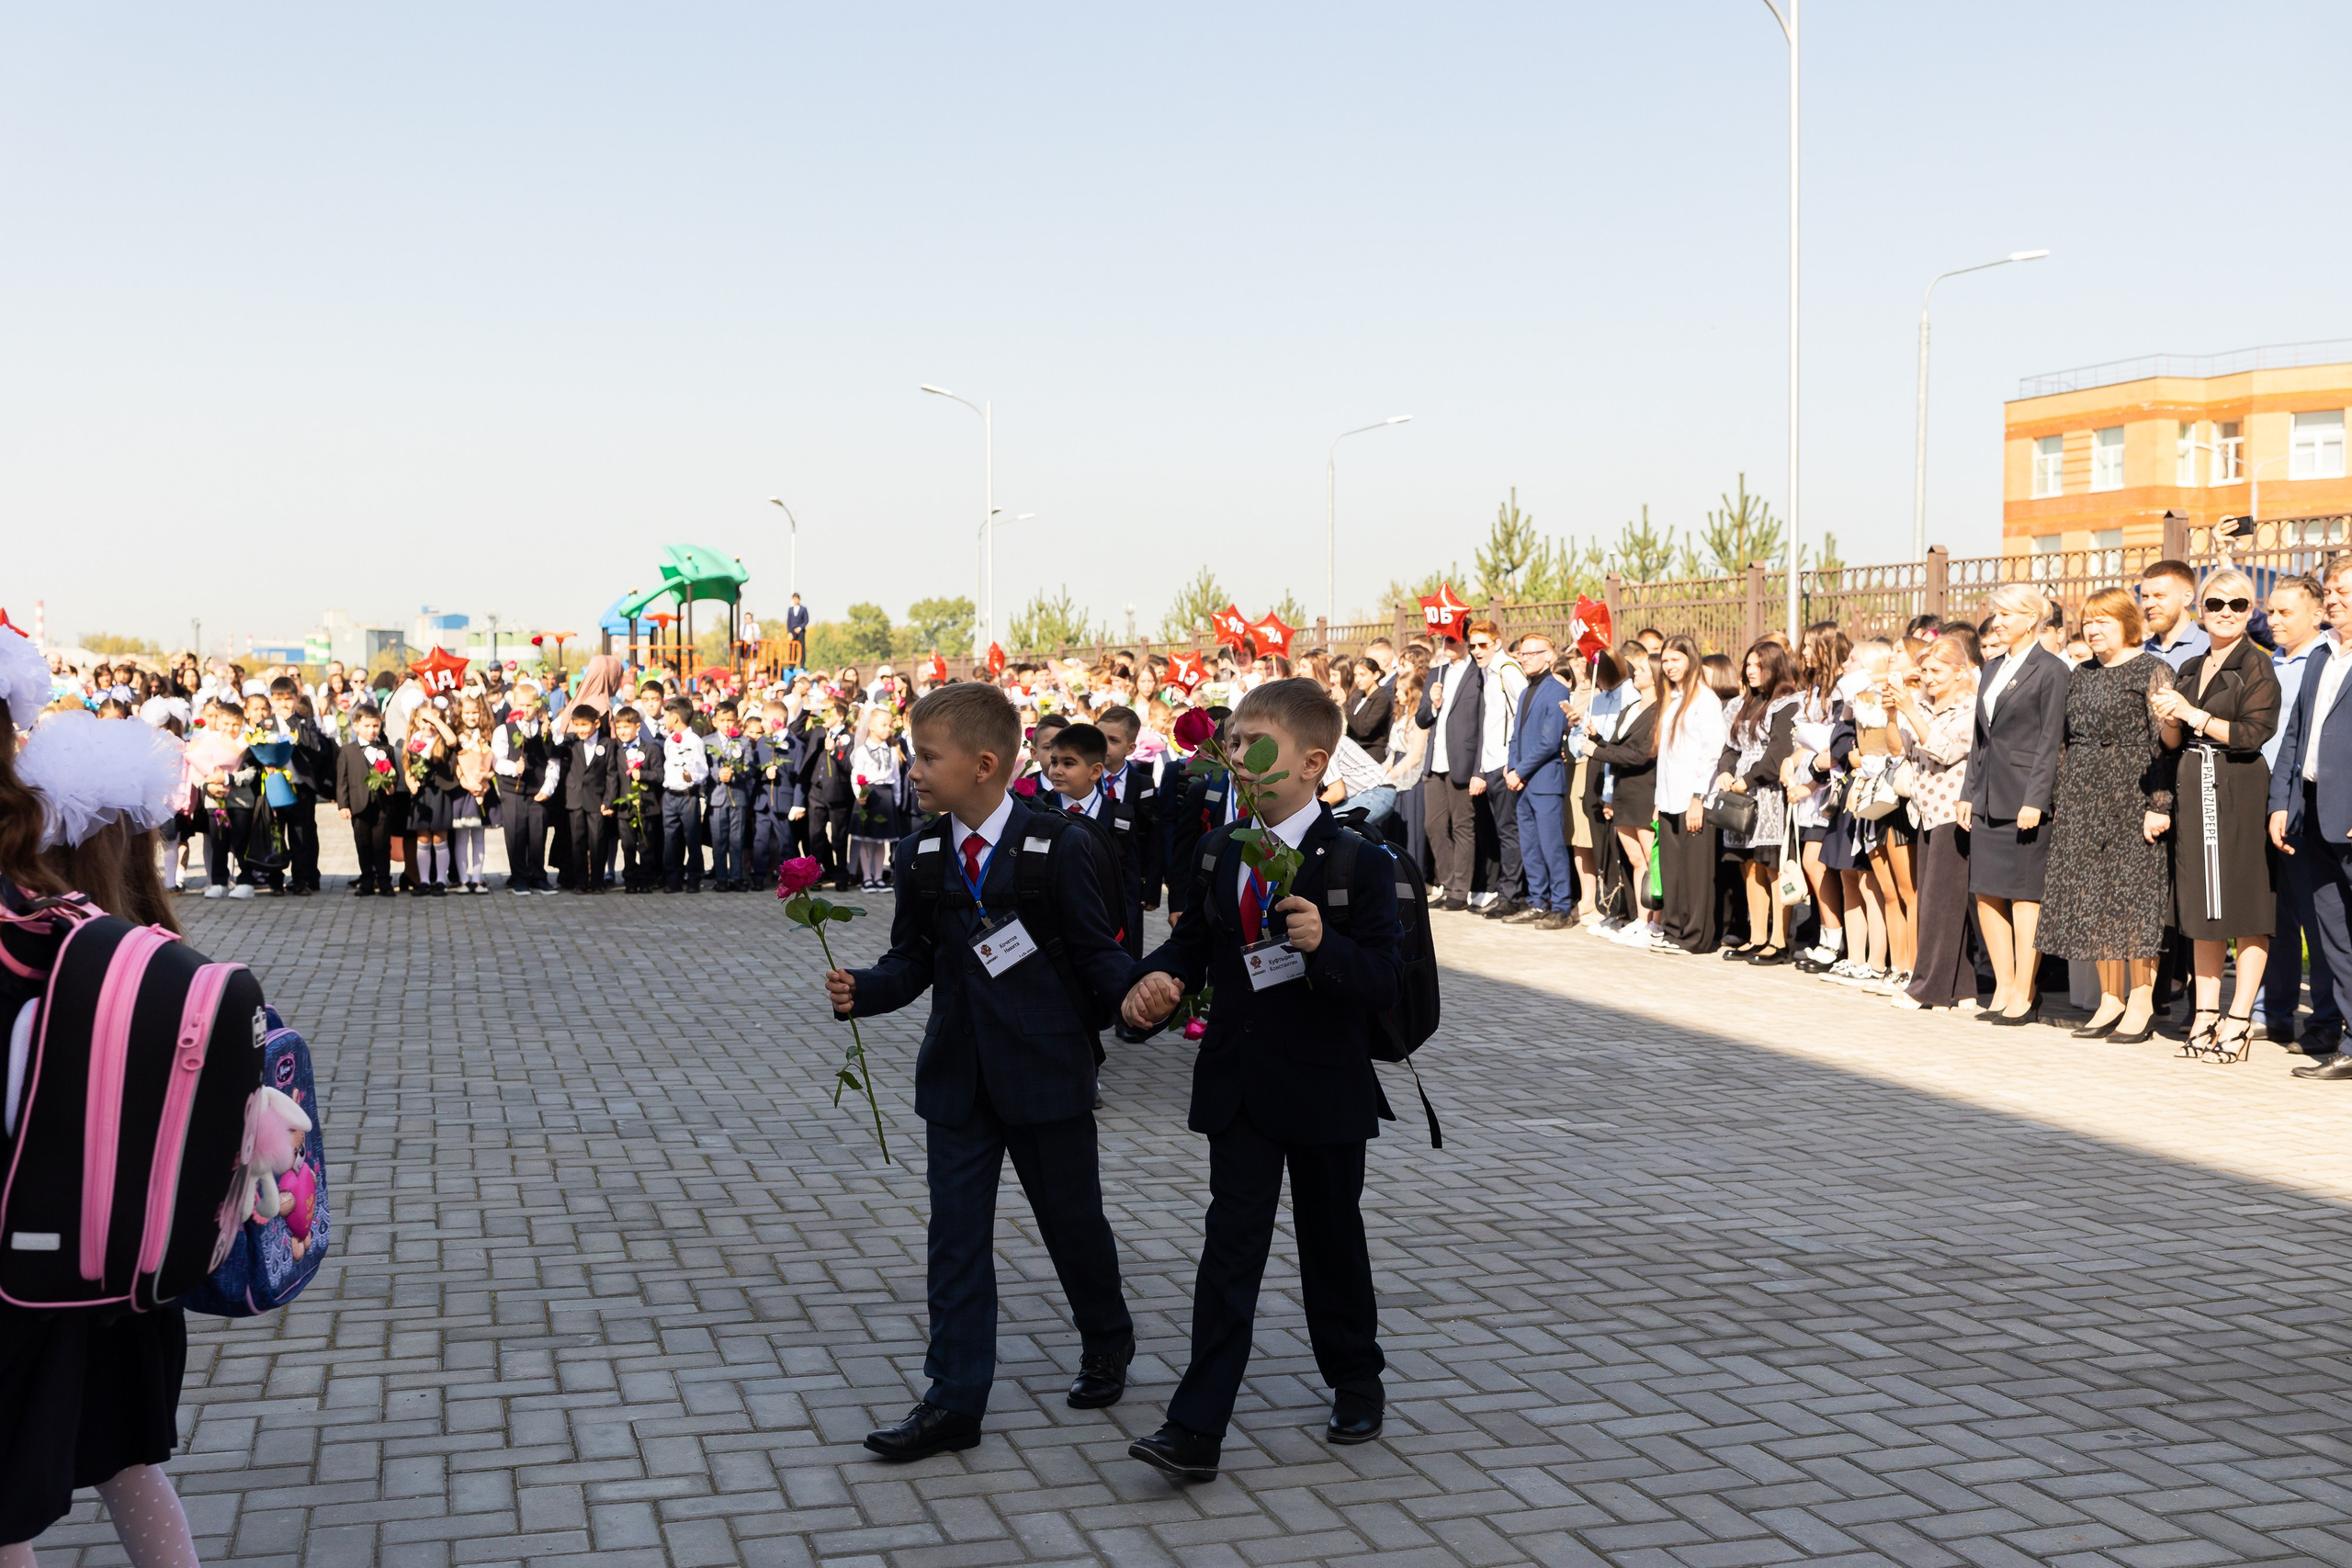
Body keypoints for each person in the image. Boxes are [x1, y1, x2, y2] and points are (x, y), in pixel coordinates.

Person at [823, 683, 1136, 1460]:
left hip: (1047, 1075)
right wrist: (867, 987)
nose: (915, 769)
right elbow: (914, 959)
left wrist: (1141, 994)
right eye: (913, 754)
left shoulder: (1056, 846)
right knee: (955, 1240)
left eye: (928, 756)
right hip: (958, 1081)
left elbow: (1098, 955)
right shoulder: (920, 854)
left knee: (1073, 1223)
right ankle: (955, 1398)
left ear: (986, 764)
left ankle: (1107, 1338)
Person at [1119, 677, 1402, 1483]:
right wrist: (1154, 986)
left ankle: (1355, 1376)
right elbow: (1195, 947)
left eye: (1255, 743)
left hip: (1323, 1088)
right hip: (1239, 1084)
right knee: (1229, 1252)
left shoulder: (1355, 860)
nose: (1237, 755)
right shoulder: (1217, 850)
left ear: (1314, 762)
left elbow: (1383, 978)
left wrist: (1326, 944)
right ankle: (1196, 1427)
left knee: (1330, 1238)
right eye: (1232, 741)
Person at [0, 696, 207, 1568]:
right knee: (127, 1461)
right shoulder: (169, 960)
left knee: (5, 1495)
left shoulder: (38, 956)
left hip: (30, 1273)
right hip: (137, 1275)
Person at [2036, 587, 2181, 1041]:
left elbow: (2169, 745)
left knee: (2134, 902)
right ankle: (2109, 998)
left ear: (2127, 624)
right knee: (2096, 899)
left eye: (2104, 621)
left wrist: (2158, 805)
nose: (2093, 629)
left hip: (2133, 793)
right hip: (2083, 795)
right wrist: (2061, 798)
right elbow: (2064, 742)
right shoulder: (2080, 674)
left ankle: (2141, 1002)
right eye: (2088, 622)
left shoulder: (2153, 669)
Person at [2151, 567, 2280, 1060]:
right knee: (2202, 908)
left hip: (2238, 787)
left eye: (2239, 604)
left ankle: (2240, 1018)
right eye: (2216, 604)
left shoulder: (2257, 666)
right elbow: (2172, 743)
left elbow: (2253, 734)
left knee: (2246, 906)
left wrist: (2194, 715)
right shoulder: (2188, 668)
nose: (2226, 613)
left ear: (2252, 612)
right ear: (2200, 611)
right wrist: (2167, 720)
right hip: (2192, 786)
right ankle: (2205, 1013)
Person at [1958, 584, 2071, 1024]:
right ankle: (2003, 985)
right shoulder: (1991, 668)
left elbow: (2050, 741)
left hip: (2025, 798)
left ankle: (2025, 991)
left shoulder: (2051, 670)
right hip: (1987, 795)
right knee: (1986, 893)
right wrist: (1968, 792)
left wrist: (2036, 800)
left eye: (2007, 614)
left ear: (2031, 620)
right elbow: (1979, 739)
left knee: (2025, 898)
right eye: (1996, 613)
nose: (1998, 621)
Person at [2270, 557, 2352, 1081]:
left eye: (2343, 589)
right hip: (2313, 813)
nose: (2334, 598)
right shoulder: (2322, 656)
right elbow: (2296, 737)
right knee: (2335, 935)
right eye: (2330, 590)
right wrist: (2281, 801)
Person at [2257, 575, 2337, 1049]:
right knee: (2272, 915)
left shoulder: (2324, 663)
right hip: (2261, 806)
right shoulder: (2267, 663)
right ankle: (2274, 1011)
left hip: (2302, 807)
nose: (2275, 620)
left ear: (2315, 614)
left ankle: (2326, 1020)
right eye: (2272, 612)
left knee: (2317, 919)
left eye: (2286, 612)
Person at [1889, 637, 1977, 1010]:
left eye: (1936, 671)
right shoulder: (1922, 704)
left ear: (1960, 672)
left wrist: (1910, 710)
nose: (1928, 678)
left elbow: (1943, 750)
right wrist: (1895, 715)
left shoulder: (1970, 708)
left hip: (1952, 812)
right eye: (1924, 670)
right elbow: (1899, 749)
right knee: (1937, 900)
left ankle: (1926, 988)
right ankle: (1963, 988)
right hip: (1923, 812)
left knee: (1939, 904)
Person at [1711, 639, 1800, 964]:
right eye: (1747, 665)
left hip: (1770, 793)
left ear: (1775, 667)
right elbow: (1731, 747)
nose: (1750, 671)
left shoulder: (1787, 702)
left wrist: (1746, 780)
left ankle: (1779, 940)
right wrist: (1724, 773)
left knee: (1772, 865)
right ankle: (1757, 936)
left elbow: (1778, 755)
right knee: (1749, 866)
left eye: (1758, 665)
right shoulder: (1741, 704)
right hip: (1740, 793)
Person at [1653, 635, 1727, 954]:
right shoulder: (1673, 699)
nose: (1669, 667)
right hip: (1669, 797)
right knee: (1673, 870)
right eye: (1665, 661)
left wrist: (1698, 796)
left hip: (1695, 799)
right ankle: (1673, 928)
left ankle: (1695, 937)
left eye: (1676, 660)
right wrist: (1658, 800)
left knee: (1696, 873)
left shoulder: (1705, 700)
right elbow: (1666, 757)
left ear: (1691, 659)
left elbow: (1710, 753)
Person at [1589, 642, 1662, 948]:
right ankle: (1640, 918)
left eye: (1643, 669)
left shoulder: (1661, 711)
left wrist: (1599, 752)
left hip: (1645, 789)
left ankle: (1657, 922)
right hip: (1622, 790)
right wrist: (1597, 738)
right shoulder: (1632, 707)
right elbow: (1620, 745)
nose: (1636, 673)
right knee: (1634, 859)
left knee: (1650, 858)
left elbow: (1642, 753)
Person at [1503, 634, 1574, 928]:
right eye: (1523, 654)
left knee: (1551, 845)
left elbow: (1549, 742)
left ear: (1549, 656)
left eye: (1534, 653)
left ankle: (1561, 906)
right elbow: (1516, 736)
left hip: (1544, 781)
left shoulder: (1557, 690)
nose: (1526, 658)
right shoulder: (1525, 692)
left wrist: (1520, 771)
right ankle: (1536, 901)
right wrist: (1511, 769)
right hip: (1522, 782)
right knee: (1529, 846)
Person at [1416, 636, 1482, 911]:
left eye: (1453, 640)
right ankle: (1447, 883)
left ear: (1466, 641)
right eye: (1444, 640)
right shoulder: (1436, 673)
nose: (1447, 645)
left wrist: (1479, 768)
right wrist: (1432, 704)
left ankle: (1460, 891)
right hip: (1435, 761)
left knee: (1462, 826)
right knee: (1433, 824)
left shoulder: (1478, 672)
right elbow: (1421, 719)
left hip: (1463, 762)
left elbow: (1482, 721)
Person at [266, 675, 334, 895]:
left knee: (301, 836)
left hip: (301, 788)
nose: (284, 704)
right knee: (276, 836)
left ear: (297, 699)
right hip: (276, 788)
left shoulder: (306, 722)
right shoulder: (266, 724)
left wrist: (294, 722)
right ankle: (275, 881)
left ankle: (301, 880)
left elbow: (315, 746)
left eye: (289, 699)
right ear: (272, 700)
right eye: (279, 699)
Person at [492, 686, 560, 894]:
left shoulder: (545, 729)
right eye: (521, 705)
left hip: (537, 790)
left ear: (537, 705)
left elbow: (553, 761)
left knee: (537, 835)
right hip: (513, 791)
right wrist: (514, 768)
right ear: (514, 705)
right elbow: (497, 761)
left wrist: (548, 787)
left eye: (530, 705)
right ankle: (519, 876)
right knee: (516, 834)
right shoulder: (505, 730)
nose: (526, 709)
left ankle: (538, 876)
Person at [335, 704, 403, 895]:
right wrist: (343, 805)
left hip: (382, 805)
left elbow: (394, 774)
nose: (372, 731)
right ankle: (366, 880)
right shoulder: (348, 751)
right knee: (363, 844)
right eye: (367, 726)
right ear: (356, 726)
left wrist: (391, 786)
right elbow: (342, 780)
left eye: (376, 726)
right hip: (359, 804)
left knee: (382, 844)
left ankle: (384, 881)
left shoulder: (386, 749)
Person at [560, 702, 616, 893]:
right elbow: (551, 752)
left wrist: (608, 801)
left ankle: (598, 882)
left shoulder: (607, 744)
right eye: (576, 725)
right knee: (577, 842)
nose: (580, 729)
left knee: (598, 842)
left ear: (597, 724)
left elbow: (611, 775)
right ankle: (581, 882)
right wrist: (546, 735)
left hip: (597, 801)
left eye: (584, 725)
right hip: (575, 799)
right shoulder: (570, 741)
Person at [658, 695, 709, 893]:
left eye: (666, 716)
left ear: (675, 717)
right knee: (671, 839)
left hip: (688, 795)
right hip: (671, 795)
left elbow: (702, 770)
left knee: (692, 838)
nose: (664, 720)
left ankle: (694, 878)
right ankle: (673, 879)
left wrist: (692, 777)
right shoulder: (669, 741)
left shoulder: (695, 741)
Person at [704, 699, 757, 892]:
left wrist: (736, 774)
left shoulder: (743, 742)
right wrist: (717, 774)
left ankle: (736, 877)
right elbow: (704, 768)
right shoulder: (707, 742)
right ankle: (721, 878)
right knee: (719, 840)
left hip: (738, 796)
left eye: (731, 720)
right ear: (715, 721)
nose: (727, 724)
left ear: (737, 721)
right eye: (723, 720)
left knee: (737, 840)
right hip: (717, 797)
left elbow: (751, 768)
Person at [2140, 558, 2210, 671]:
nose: (2149, 604)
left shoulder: (2209, 650)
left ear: (2187, 598)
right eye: (2145, 597)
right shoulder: (2137, 654)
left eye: (2159, 596)